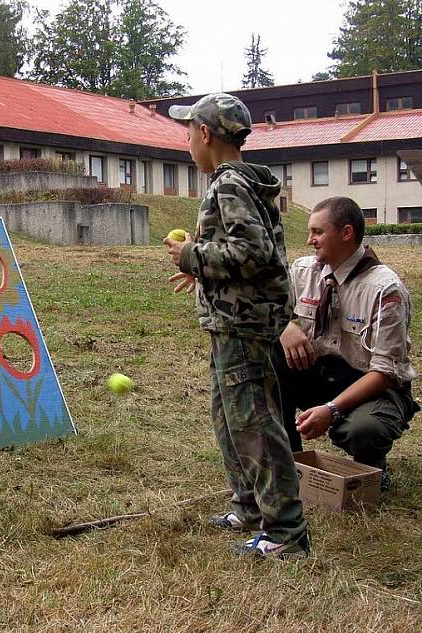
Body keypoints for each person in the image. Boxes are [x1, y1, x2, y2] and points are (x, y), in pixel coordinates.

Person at [164, 93, 309, 558]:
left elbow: (254, 254)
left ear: (205, 134)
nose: (187, 141)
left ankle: (285, 532)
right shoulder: (239, 182)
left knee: (254, 423)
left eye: (189, 132)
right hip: (231, 323)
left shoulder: (229, 184)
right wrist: (201, 269)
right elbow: (246, 254)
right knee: (228, 418)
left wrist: (191, 255)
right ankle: (248, 507)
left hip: (243, 326)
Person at [277, 196, 418, 490]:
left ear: (346, 233)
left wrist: (331, 410)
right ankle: (291, 464)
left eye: (317, 232)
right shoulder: (304, 271)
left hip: (370, 383)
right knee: (265, 361)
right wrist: (284, 326)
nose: (309, 240)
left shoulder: (384, 290)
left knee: (364, 430)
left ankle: (371, 466)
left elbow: (385, 372)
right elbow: (267, 307)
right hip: (319, 371)